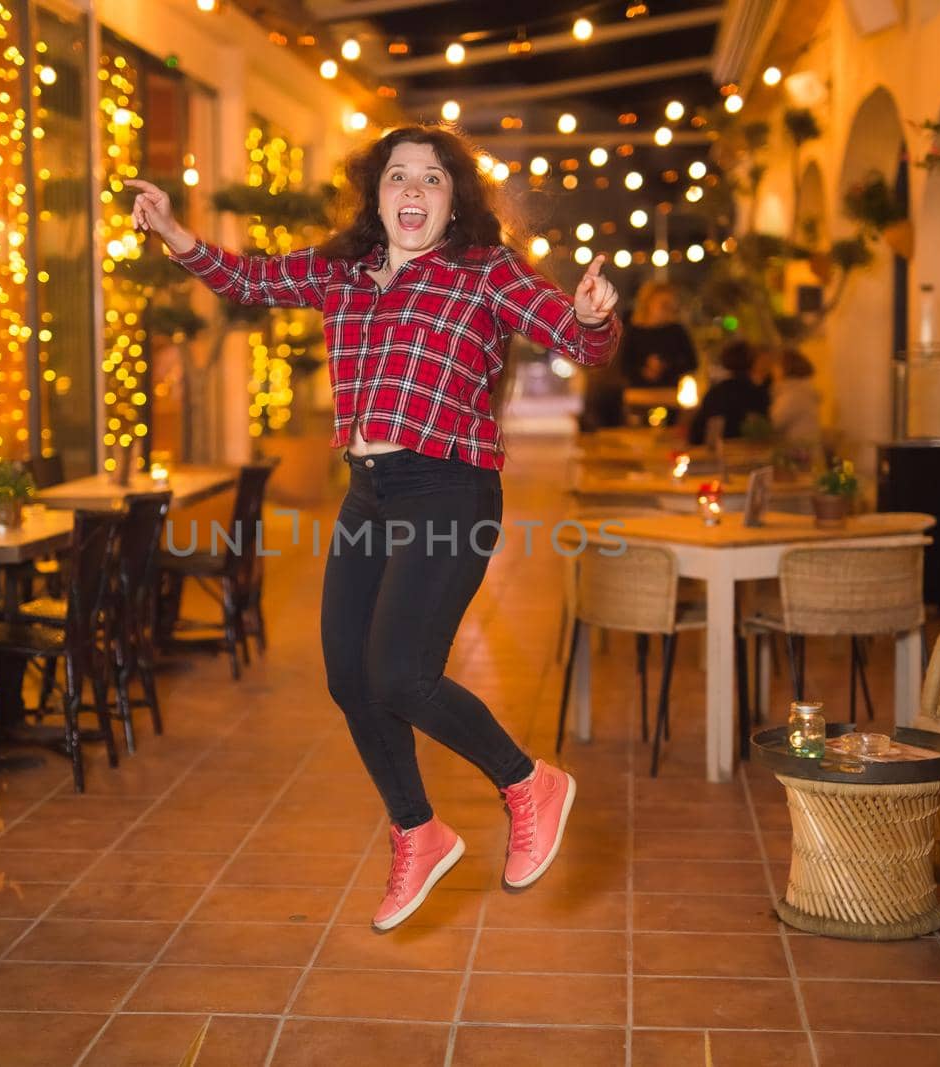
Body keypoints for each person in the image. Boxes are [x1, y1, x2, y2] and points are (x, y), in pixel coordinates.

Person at [126, 125, 619, 932]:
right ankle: (418, 830)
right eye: (398, 177)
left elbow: (571, 334)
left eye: (432, 178)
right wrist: (180, 238)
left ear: (453, 199)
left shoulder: (482, 272)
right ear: (377, 193)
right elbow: (251, 277)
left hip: (450, 489)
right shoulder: (344, 274)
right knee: (349, 677)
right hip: (370, 495)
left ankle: (528, 781)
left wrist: (592, 317)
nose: (414, 191)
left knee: (399, 672)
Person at [687, 340, 769, 445]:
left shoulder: (716, 392)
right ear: (752, 363)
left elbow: (698, 429)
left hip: (718, 449)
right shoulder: (758, 393)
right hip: (752, 450)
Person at [620, 280, 698, 389]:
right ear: (649, 303)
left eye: (671, 305)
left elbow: (692, 363)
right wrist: (644, 371)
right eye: (664, 304)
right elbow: (624, 365)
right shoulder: (633, 331)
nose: (669, 310)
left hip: (670, 391)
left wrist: (666, 367)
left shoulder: (677, 331)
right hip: (639, 392)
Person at [770, 348, 822, 445]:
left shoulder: (792, 394)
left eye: (776, 366)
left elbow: (774, 423)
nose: (773, 371)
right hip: (805, 450)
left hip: (798, 453)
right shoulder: (802, 390)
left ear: (785, 368)